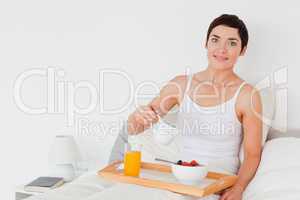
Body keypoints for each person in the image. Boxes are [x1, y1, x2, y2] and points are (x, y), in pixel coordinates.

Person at [127, 14, 262, 200]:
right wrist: (136, 117)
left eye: (231, 43)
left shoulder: (247, 95)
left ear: (242, 50)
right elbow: (136, 128)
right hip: (181, 178)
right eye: (215, 40)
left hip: (216, 182)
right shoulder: (181, 85)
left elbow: (253, 154)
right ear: (206, 43)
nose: (222, 49)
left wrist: (238, 188)